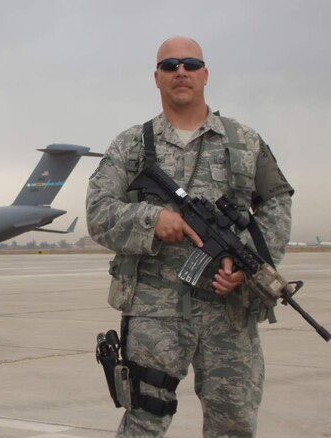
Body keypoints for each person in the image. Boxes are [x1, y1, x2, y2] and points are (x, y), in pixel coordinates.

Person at [86, 36, 293, 438]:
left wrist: (246, 263)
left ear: (205, 74)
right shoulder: (130, 146)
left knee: (234, 425)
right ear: (157, 78)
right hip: (154, 314)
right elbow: (97, 213)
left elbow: (278, 201)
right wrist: (151, 219)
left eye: (191, 64)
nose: (181, 71)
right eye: (170, 65)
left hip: (229, 313)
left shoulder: (244, 143)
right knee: (143, 422)